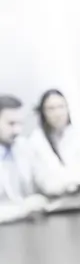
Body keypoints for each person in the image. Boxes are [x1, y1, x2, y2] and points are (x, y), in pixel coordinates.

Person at [29, 89, 80, 196]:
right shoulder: (36, 141)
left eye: (61, 107)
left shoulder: (76, 133)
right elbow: (47, 184)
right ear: (43, 113)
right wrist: (73, 182)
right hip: (55, 199)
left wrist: (75, 181)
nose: (57, 113)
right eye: (51, 109)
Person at [0, 95, 49, 224]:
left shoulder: (23, 146)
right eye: (11, 124)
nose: (17, 130)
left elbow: (43, 179)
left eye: (20, 123)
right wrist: (23, 209)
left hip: (27, 227)